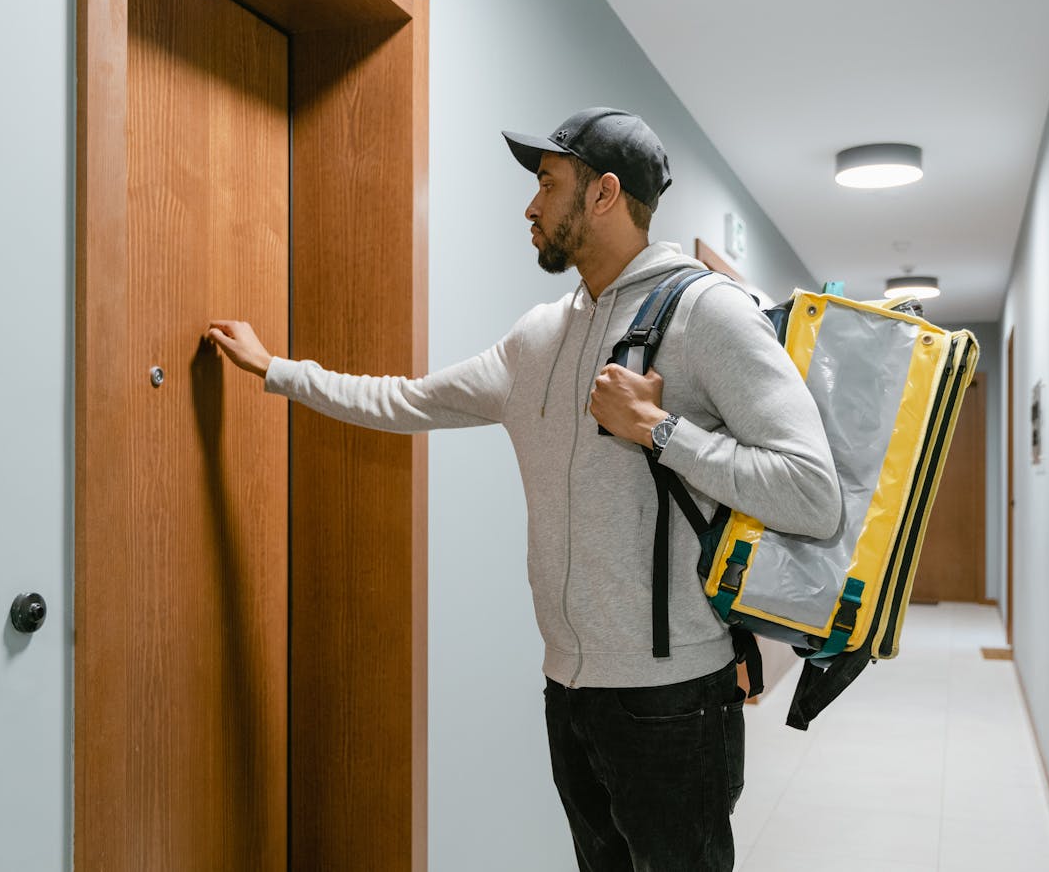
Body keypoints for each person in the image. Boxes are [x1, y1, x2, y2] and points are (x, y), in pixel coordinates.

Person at [208, 106, 841, 871]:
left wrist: (661, 432)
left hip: (677, 701)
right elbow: (409, 399)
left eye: (548, 182)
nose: (531, 205)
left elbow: (812, 492)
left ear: (604, 194)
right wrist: (275, 370)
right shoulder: (538, 336)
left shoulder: (710, 313)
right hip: (569, 690)